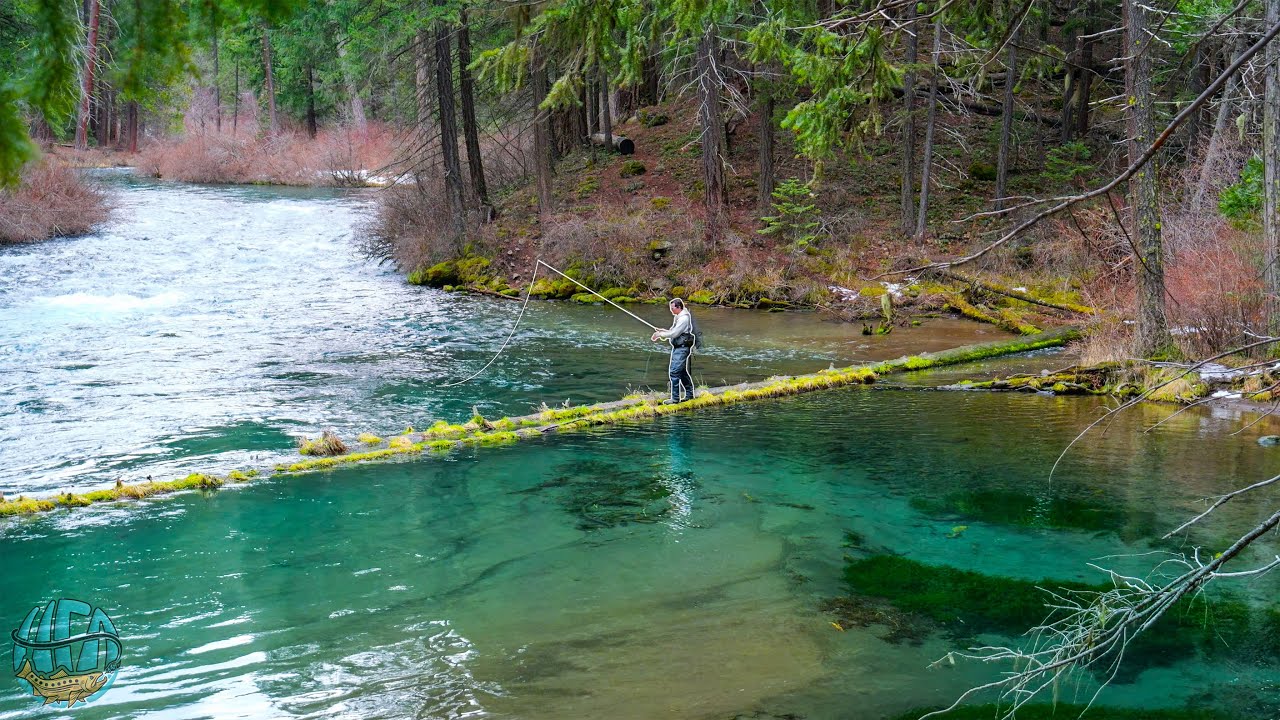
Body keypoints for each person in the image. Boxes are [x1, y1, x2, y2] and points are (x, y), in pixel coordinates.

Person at [651, 298, 697, 404]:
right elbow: (673, 331)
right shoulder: (678, 316)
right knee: (682, 372)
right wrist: (663, 331)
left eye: (672, 308)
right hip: (679, 347)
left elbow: (675, 334)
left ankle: (675, 399)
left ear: (679, 307)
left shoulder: (683, 318)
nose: (671, 310)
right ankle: (689, 395)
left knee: (674, 372)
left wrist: (660, 335)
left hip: (682, 348)